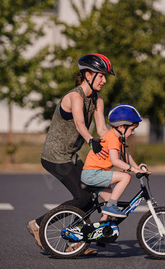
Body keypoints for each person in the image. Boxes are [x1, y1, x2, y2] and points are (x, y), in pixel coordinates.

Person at [26, 53, 114, 255]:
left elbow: (101, 128)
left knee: (91, 198)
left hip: (72, 157)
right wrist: (90, 140)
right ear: (88, 74)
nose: (104, 80)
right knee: (82, 197)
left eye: (105, 76)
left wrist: (115, 140)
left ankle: (76, 241)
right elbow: (79, 123)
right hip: (55, 157)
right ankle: (38, 224)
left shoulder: (97, 99)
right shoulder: (74, 97)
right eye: (101, 75)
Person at [81, 104, 150, 220]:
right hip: (92, 174)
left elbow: (125, 155)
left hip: (93, 174)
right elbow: (115, 161)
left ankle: (101, 230)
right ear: (122, 127)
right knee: (125, 177)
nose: (133, 133)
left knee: (110, 204)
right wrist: (132, 170)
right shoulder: (113, 138)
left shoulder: (117, 138)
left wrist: (137, 167)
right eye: (132, 129)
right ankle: (110, 207)